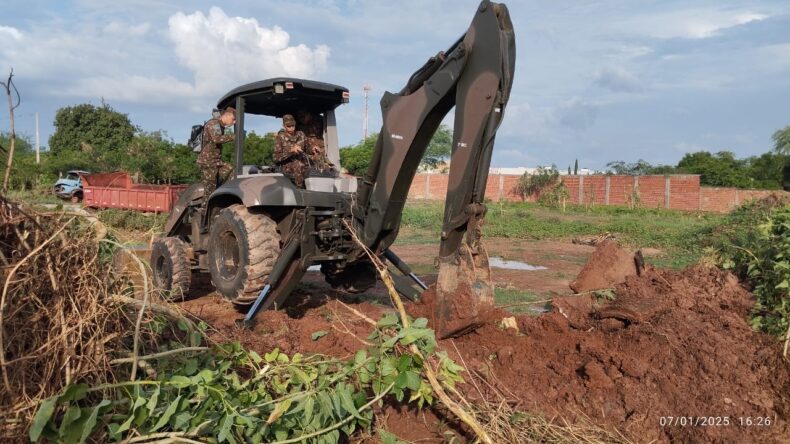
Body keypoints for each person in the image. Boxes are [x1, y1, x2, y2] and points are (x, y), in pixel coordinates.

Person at [197, 106, 236, 211]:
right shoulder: (213, 123)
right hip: (208, 163)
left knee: (232, 170)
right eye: (233, 119)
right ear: (227, 115)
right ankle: (204, 217)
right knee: (209, 192)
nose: (234, 122)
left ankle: (221, 194)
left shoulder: (221, 125)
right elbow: (216, 139)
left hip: (217, 162)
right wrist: (234, 136)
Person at [274, 114, 309, 187]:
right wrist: (291, 151)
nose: (291, 128)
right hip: (287, 166)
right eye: (288, 126)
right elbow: (276, 158)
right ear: (284, 126)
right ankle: (300, 189)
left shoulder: (301, 134)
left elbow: (308, 148)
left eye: (293, 125)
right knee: (297, 164)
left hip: (303, 162)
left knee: (320, 163)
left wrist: (314, 148)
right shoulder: (280, 138)